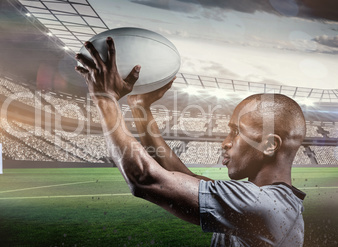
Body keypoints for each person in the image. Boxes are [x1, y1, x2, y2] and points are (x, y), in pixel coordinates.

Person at [75, 37, 306, 246]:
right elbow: (185, 177)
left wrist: (105, 98)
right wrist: (140, 107)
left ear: (269, 145)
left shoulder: (262, 205)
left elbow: (145, 178)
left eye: (236, 132)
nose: (225, 142)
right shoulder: (272, 202)